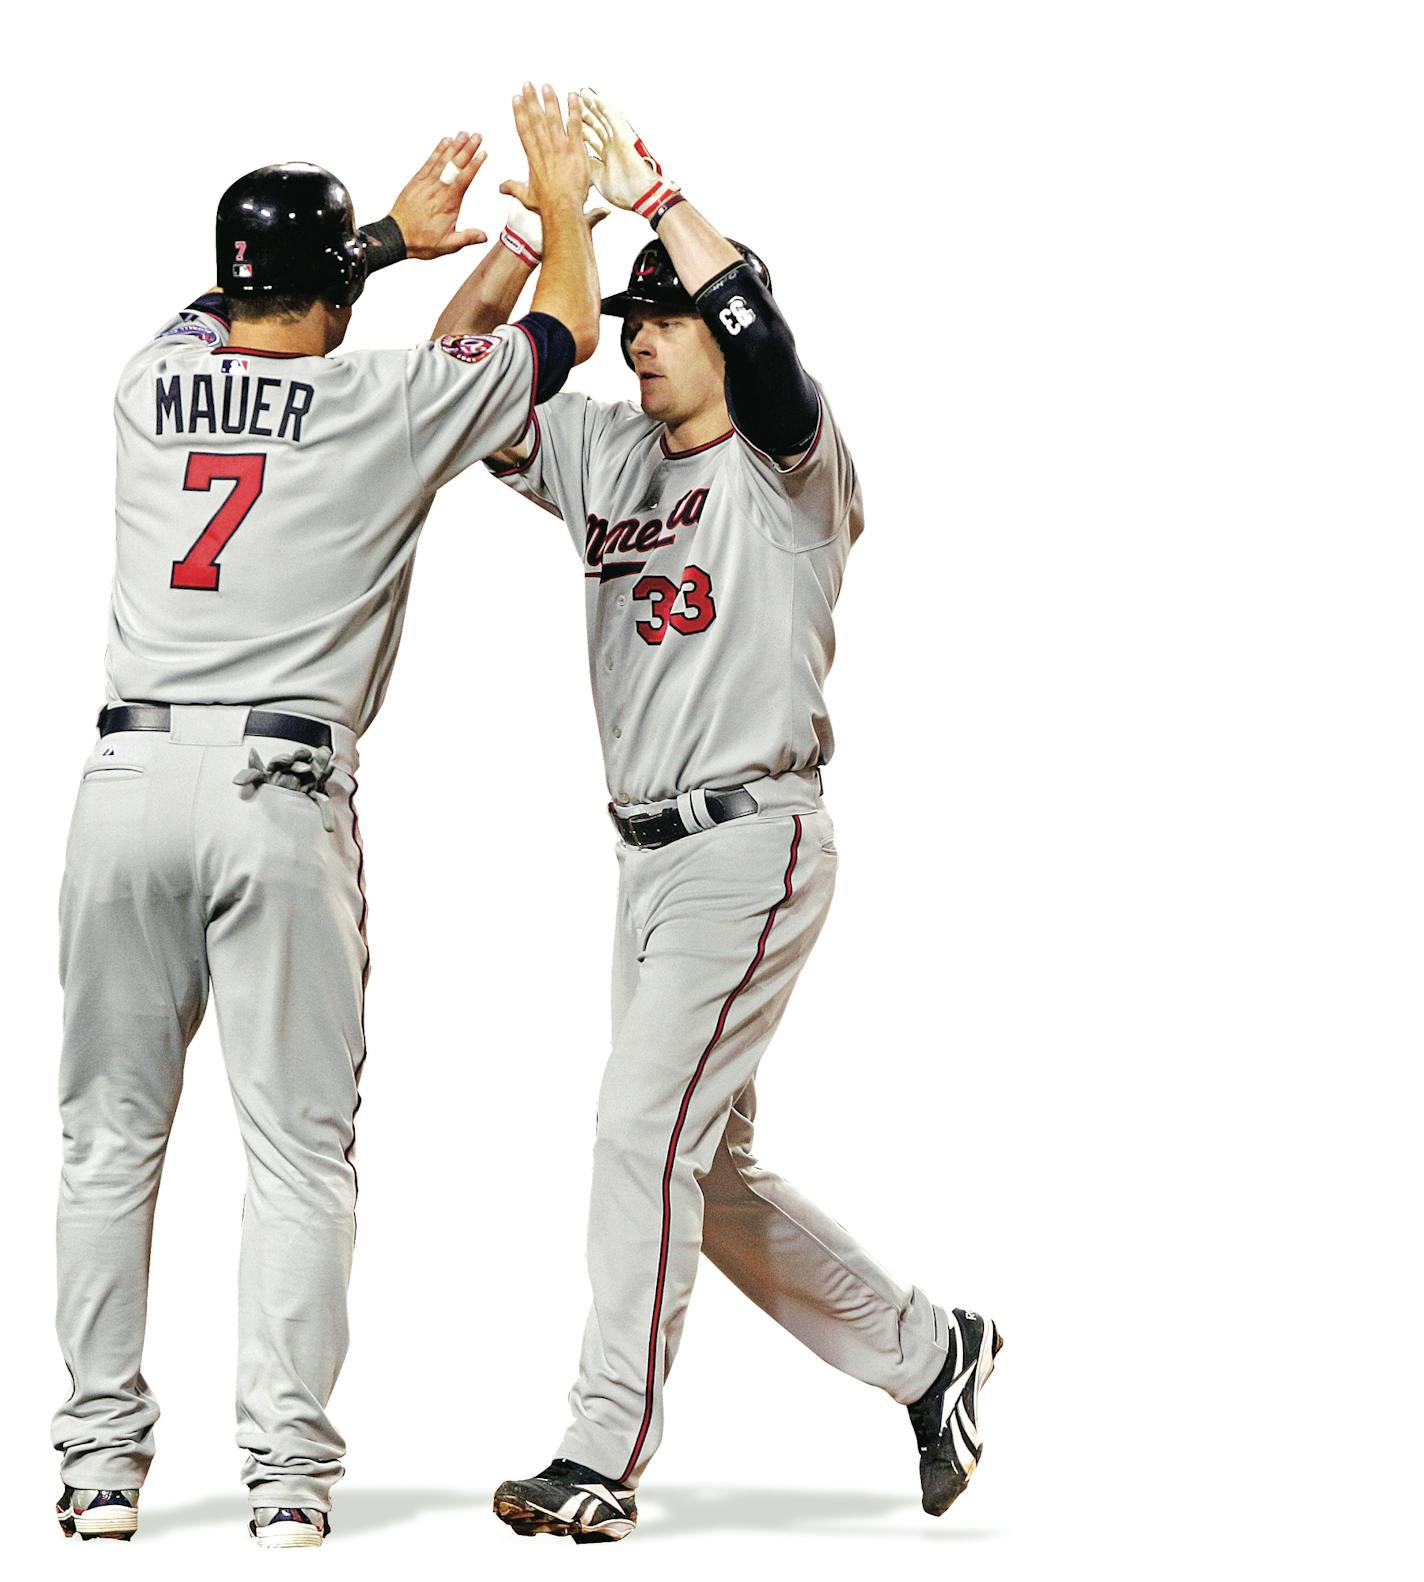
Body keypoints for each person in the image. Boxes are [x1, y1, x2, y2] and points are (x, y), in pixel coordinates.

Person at [53, 85, 599, 1549]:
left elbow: (251, 326)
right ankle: (285, 1475)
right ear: (327, 295)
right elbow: (561, 337)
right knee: (298, 1151)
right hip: (275, 798)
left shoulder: (141, 379)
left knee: (108, 1138)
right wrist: (557, 200)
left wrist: (378, 243)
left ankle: (99, 1467)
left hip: (121, 790)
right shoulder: (380, 405)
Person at [475, 89, 1004, 1544]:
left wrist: (653, 200)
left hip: (753, 838)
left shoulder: (792, 463)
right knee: (696, 1173)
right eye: (631, 318)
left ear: (721, 322)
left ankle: (602, 1447)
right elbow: (463, 388)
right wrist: (547, 235)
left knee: (637, 1131)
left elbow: (767, 352)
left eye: (664, 315)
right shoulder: (606, 454)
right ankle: (928, 1349)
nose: (640, 334)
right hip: (644, 863)